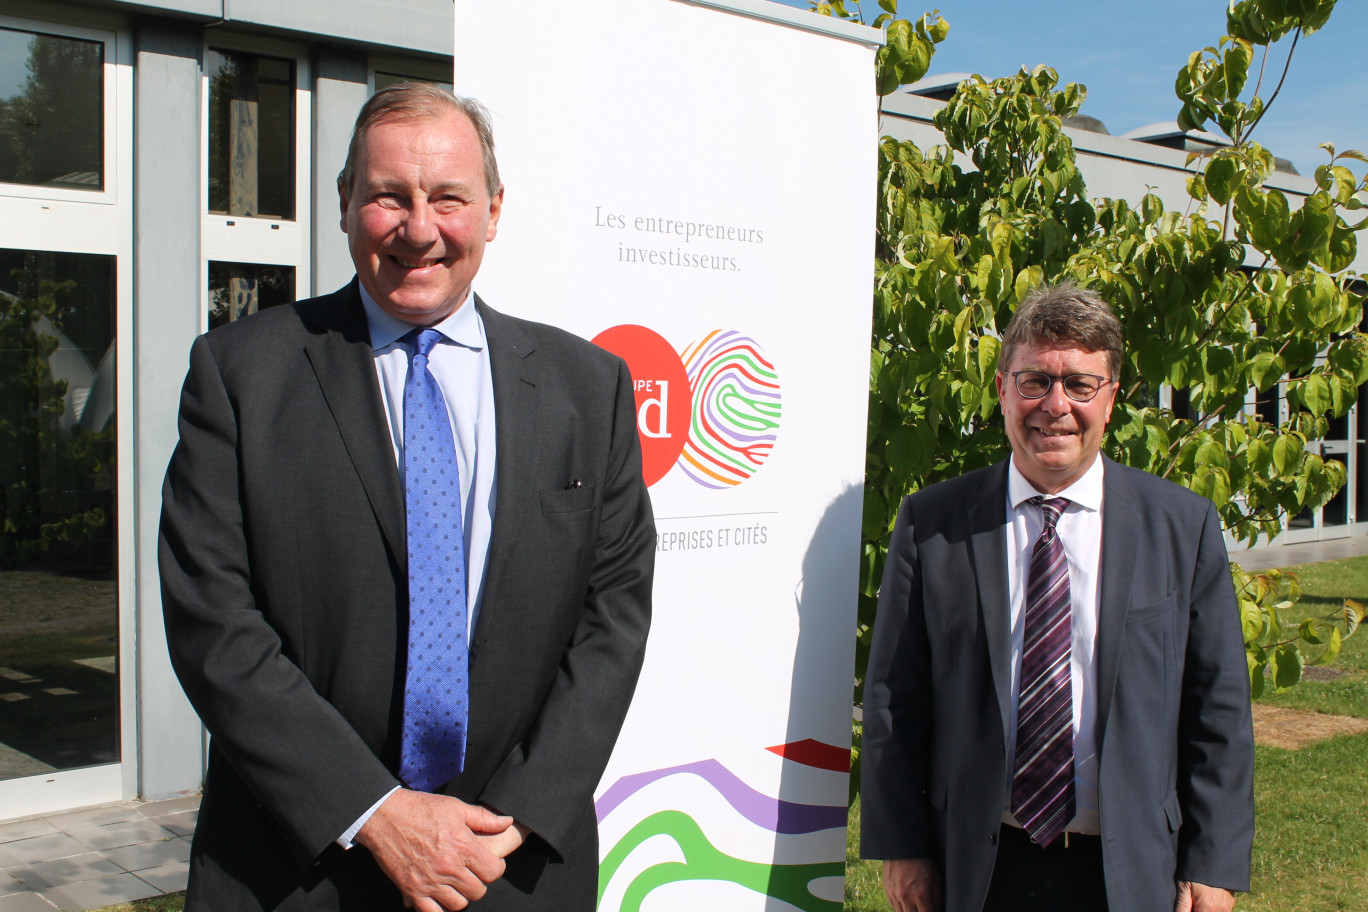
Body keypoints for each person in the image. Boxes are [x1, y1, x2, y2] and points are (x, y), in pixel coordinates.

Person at [159, 83, 655, 911]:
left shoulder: (587, 389)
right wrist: (376, 812)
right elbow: (213, 620)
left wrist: (519, 815)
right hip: (297, 863)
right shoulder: (240, 376)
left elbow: (614, 617)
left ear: (493, 211)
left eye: (449, 198)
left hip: (512, 864)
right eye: (390, 195)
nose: (419, 228)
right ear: (346, 203)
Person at [860, 283, 1254, 912]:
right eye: (1035, 380)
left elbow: (1218, 709)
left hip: (1127, 869)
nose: (1055, 405)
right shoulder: (932, 524)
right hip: (978, 867)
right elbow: (893, 702)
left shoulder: (1183, 526)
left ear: (1112, 398)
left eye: (1080, 385)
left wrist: (1213, 862)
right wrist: (902, 845)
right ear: (1001, 389)